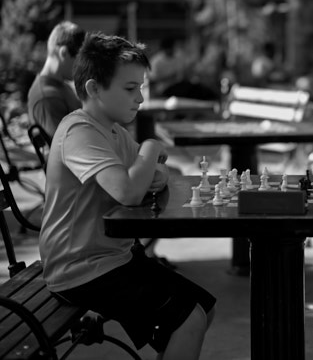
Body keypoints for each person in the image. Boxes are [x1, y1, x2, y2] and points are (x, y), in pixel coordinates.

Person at [39, 33, 216, 360]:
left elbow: (160, 175)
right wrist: (149, 149)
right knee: (189, 319)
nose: (140, 98)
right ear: (93, 89)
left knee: (203, 308)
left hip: (112, 257)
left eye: (141, 88)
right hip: (78, 267)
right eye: (130, 88)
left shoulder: (114, 131)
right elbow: (129, 191)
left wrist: (147, 169)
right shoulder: (79, 131)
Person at [27, 21, 86, 139]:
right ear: (63, 53)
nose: (82, 66)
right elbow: (65, 148)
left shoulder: (61, 86)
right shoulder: (47, 97)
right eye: (80, 60)